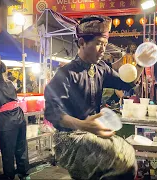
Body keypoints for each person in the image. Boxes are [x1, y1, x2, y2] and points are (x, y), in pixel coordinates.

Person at [44, 15, 145, 179]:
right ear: (82, 43)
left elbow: (126, 83)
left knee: (128, 157)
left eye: (104, 44)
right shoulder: (66, 74)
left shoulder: (101, 68)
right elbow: (52, 113)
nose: (103, 49)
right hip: (68, 138)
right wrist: (83, 125)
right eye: (98, 44)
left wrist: (141, 63)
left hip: (91, 132)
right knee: (123, 158)